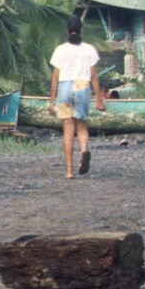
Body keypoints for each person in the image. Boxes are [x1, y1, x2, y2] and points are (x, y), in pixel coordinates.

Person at [49, 20, 103, 179]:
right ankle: (84, 150)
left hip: (65, 87)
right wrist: (99, 99)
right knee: (81, 126)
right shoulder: (89, 49)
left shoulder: (60, 50)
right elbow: (94, 76)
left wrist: (52, 101)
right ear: (81, 31)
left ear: (68, 31)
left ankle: (69, 172)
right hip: (81, 85)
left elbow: (55, 77)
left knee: (68, 129)